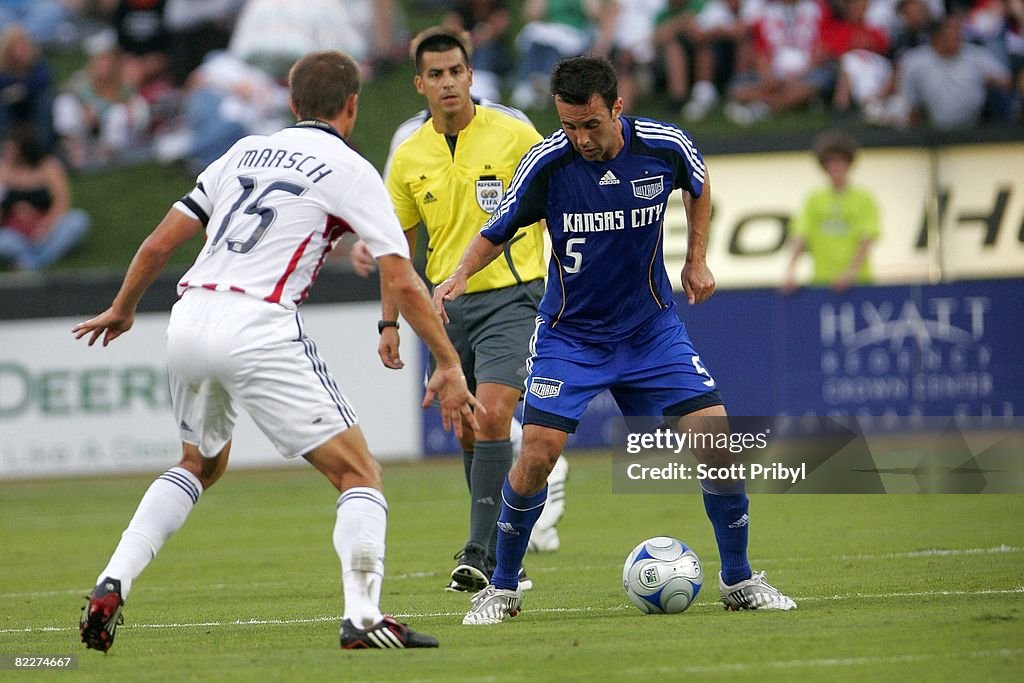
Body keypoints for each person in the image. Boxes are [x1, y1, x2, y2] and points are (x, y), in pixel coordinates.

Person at [73, 49, 482, 653]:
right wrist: (448, 362)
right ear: (352, 105)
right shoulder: (350, 168)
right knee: (359, 474)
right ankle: (364, 618)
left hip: (189, 318)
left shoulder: (242, 151)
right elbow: (401, 278)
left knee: (198, 464)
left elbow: (160, 244)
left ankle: (112, 580)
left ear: (292, 105)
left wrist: (124, 306)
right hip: (258, 321)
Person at [432, 55, 797, 625]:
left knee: (719, 445)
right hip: (570, 337)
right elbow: (496, 230)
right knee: (537, 454)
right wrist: (459, 275)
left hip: (651, 331)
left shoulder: (663, 146)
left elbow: (699, 186)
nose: (579, 138)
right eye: (568, 126)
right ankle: (502, 589)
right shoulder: (548, 164)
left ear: (617, 108)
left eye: (590, 125)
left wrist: (696, 258)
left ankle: (739, 578)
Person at [349, 29, 570, 560]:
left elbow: (559, 198)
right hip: (443, 307)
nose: (448, 83)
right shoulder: (408, 152)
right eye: (437, 75)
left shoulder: (514, 131)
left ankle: (481, 549)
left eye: (456, 72)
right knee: (469, 428)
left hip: (513, 294)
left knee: (493, 415)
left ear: (471, 75)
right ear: (419, 83)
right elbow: (394, 247)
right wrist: (389, 323)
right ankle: (500, 538)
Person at [782, 130, 880, 294]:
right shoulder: (814, 199)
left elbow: (866, 239)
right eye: (831, 162)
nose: (836, 167)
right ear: (824, 166)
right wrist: (791, 271)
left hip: (859, 285)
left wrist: (850, 274)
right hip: (822, 284)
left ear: (849, 164)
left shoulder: (865, 199)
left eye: (841, 161)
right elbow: (801, 236)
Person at [0, 123, 90, 271]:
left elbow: (61, 202)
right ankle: (33, 258)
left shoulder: (49, 167)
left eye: (10, 147)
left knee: (78, 220)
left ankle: (34, 261)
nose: (6, 151)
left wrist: (46, 226)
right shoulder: (3, 169)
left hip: (46, 226)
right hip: (14, 231)